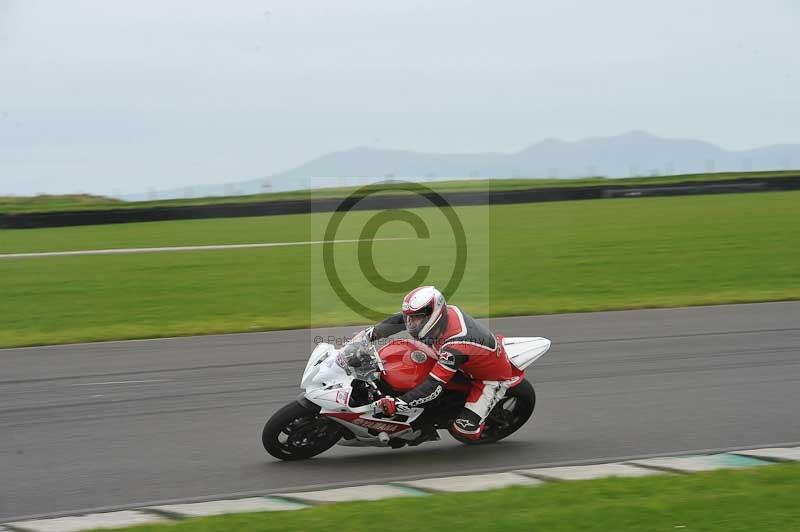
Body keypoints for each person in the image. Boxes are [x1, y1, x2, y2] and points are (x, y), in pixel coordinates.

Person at [347, 285, 522, 440]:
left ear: (434, 314)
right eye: (411, 317)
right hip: (461, 360)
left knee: (464, 430)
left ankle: (466, 420)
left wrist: (400, 403)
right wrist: (371, 334)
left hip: (488, 378)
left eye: (416, 318)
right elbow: (400, 320)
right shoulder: (440, 317)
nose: (411, 323)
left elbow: (433, 387)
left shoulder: (456, 345)